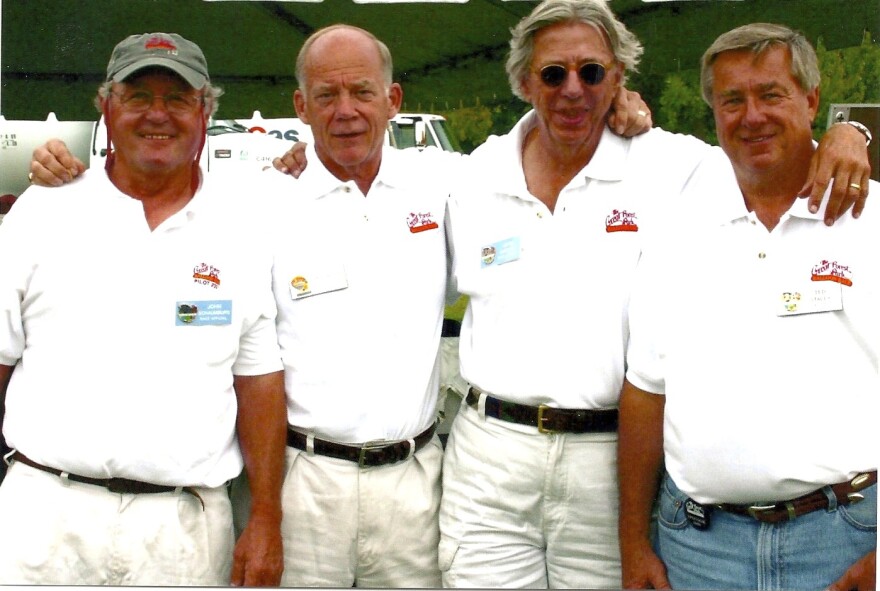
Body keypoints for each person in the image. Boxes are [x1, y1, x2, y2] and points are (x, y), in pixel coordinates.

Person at [437, 1, 871, 588]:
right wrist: (291, 157)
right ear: (522, 81)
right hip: (490, 453)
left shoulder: (678, 165)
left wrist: (853, 132)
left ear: (618, 78)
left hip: (605, 457)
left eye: (592, 73)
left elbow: (774, 149)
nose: (573, 89)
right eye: (553, 74)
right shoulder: (469, 175)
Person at [0, 32, 287, 586]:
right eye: (138, 97)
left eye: (178, 99)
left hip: (182, 535)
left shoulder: (243, 225)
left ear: (205, 111)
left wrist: (267, 518)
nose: (159, 115)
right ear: (107, 108)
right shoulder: (44, 210)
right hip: (44, 523)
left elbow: (259, 381)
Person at [618, 23, 876, 590]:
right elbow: (645, 392)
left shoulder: (871, 221)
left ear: (811, 100)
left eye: (771, 94)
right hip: (699, 548)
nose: (751, 115)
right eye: (732, 100)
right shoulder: (677, 226)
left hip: (843, 540)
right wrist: (634, 543)